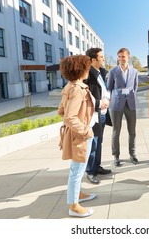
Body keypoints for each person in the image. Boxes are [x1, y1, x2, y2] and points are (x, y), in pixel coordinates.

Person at [58, 55, 97, 217]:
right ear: (80, 69)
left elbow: (61, 111)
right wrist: (86, 130)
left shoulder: (71, 86)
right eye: (87, 67)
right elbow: (69, 117)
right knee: (77, 170)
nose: (89, 70)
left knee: (77, 170)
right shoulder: (77, 90)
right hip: (80, 136)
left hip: (77, 134)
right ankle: (74, 206)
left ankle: (78, 194)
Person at [84, 48, 112, 184]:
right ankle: (90, 171)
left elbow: (104, 90)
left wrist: (108, 98)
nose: (104, 59)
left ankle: (97, 166)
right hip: (93, 115)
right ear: (93, 60)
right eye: (101, 57)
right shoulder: (87, 75)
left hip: (102, 114)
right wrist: (100, 103)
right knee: (93, 144)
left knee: (99, 142)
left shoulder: (101, 72)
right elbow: (85, 98)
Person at [107, 47, 139, 166]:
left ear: (128, 57)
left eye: (123, 56)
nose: (121, 59)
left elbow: (135, 87)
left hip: (130, 104)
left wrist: (131, 95)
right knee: (116, 131)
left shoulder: (134, 71)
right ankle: (116, 156)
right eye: (119, 57)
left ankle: (132, 154)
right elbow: (109, 87)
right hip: (116, 104)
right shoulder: (113, 71)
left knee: (132, 131)